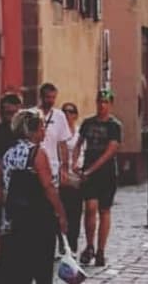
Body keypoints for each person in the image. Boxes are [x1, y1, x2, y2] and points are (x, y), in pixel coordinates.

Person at [0, 108, 67, 284]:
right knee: (41, 271)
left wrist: (7, 200)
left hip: (13, 222)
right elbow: (48, 187)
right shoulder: (38, 154)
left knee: (17, 273)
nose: (44, 131)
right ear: (32, 131)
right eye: (41, 128)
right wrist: (61, 214)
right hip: (37, 222)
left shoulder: (9, 153)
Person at [75, 88, 122, 269]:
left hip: (106, 173)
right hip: (89, 171)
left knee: (104, 210)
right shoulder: (88, 123)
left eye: (105, 102)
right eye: (100, 102)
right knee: (90, 208)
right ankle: (89, 246)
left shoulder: (114, 126)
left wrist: (91, 169)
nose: (102, 105)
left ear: (110, 104)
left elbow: (110, 151)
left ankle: (101, 250)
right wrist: (74, 161)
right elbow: (79, 143)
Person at [35, 82, 71, 257]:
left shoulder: (60, 116)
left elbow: (63, 144)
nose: (50, 101)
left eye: (53, 98)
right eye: (48, 97)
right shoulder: (34, 114)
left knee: (54, 205)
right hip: (35, 166)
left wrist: (65, 167)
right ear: (41, 96)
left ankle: (60, 241)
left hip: (53, 167)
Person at [0, 91, 23, 253]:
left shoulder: (24, 137)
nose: (9, 117)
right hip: (3, 192)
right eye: (6, 113)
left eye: (13, 113)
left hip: (22, 196)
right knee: (4, 238)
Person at [57, 102, 83, 255]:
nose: (68, 114)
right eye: (65, 112)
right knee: (62, 211)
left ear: (75, 115)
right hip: (61, 177)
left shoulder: (79, 133)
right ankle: (63, 242)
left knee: (75, 211)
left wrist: (79, 168)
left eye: (71, 111)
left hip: (76, 176)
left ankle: (72, 243)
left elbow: (83, 151)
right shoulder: (58, 133)